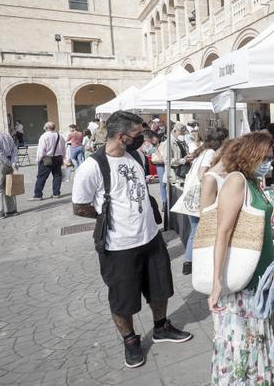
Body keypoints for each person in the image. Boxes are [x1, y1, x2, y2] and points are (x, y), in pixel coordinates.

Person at [72, 111, 192, 369]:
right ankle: (130, 340)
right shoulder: (92, 166)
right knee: (123, 298)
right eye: (138, 135)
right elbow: (80, 206)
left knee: (161, 288)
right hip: (118, 246)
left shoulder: (135, 155)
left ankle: (161, 327)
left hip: (150, 237)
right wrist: (109, 217)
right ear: (121, 135)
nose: (144, 138)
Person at [208, 131, 274, 385]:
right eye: (267, 157)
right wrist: (216, 280)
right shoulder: (236, 182)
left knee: (261, 338)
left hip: (262, 273)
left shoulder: (252, 182)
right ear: (252, 156)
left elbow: (258, 224)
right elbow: (223, 231)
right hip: (245, 279)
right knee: (247, 342)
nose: (270, 162)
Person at [180, 128, 227, 276]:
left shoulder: (203, 151)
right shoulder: (211, 153)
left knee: (195, 229)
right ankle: (190, 262)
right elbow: (202, 175)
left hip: (191, 194)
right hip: (199, 197)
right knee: (197, 230)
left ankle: (189, 261)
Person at [32, 122, 66, 201]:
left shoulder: (44, 136)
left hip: (47, 158)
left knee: (41, 177)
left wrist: (38, 159)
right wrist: (64, 158)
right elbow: (64, 149)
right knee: (57, 176)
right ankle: (56, 193)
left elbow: (41, 150)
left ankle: (38, 194)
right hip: (58, 158)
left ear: (46, 128)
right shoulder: (60, 136)